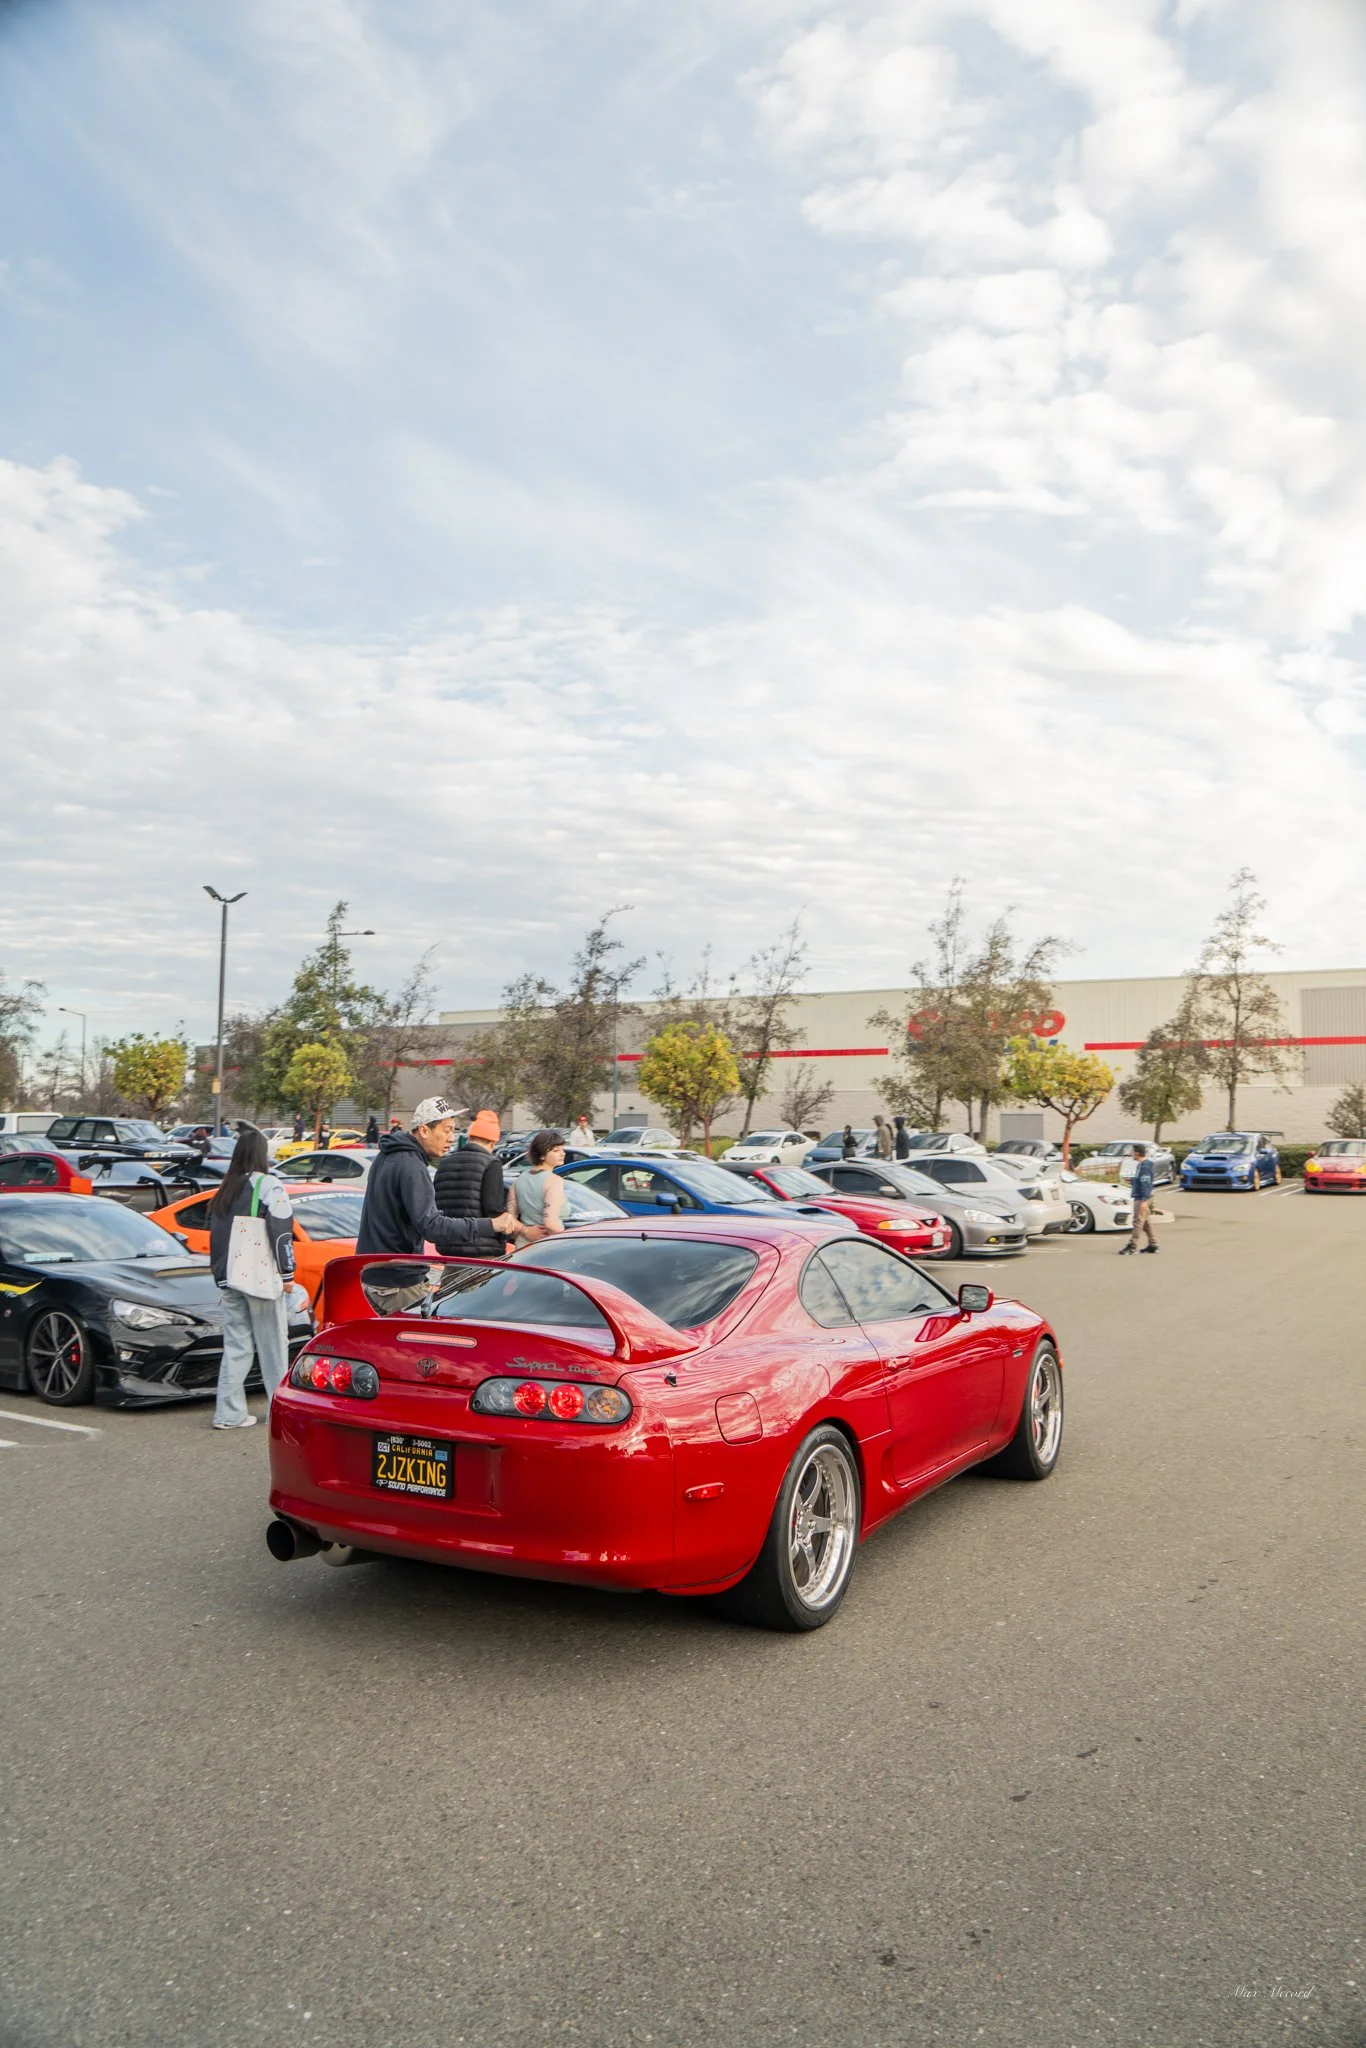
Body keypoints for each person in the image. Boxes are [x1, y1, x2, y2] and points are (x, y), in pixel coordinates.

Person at [208, 1128, 294, 1430]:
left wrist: (220, 1277)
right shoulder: (269, 1185)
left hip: (230, 1279)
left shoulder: (226, 1188)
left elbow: (217, 1239)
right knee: (274, 1348)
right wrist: (288, 1274)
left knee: (236, 1347)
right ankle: (279, 1412)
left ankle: (228, 1414)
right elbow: (282, 1231)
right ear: (262, 1154)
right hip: (260, 1279)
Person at [356, 1096, 517, 1257]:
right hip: (398, 1272)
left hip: (376, 1265)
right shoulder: (412, 1166)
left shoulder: (386, 1156)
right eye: (447, 1130)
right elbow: (432, 1226)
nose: (452, 1138)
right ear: (424, 1130)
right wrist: (491, 1224)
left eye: (453, 1131)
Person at [433, 1109, 508, 1249]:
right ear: (493, 1143)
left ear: (470, 1137)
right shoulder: (491, 1164)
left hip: (448, 1246)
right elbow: (493, 1209)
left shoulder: (445, 1163)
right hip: (480, 1247)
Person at [509, 1129, 567, 1246]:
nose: (563, 1153)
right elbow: (551, 1223)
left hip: (522, 1245)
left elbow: (510, 1219)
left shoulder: (519, 1180)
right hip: (547, 1245)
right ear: (541, 1156)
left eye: (562, 1149)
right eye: (556, 1150)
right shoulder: (554, 1181)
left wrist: (524, 1231)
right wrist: (569, 1241)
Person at [1119, 1143, 1158, 1255]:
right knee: (1146, 1222)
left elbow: (1146, 1183)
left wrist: (1144, 1200)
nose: (1131, 1154)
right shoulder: (1141, 1165)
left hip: (1141, 1197)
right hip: (1142, 1196)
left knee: (1138, 1222)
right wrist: (1133, 1180)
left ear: (1137, 1153)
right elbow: (1142, 1180)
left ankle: (1132, 1245)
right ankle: (1153, 1245)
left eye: (1132, 1152)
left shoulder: (1145, 1166)